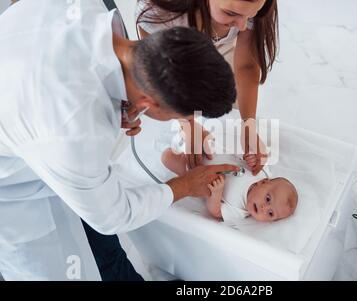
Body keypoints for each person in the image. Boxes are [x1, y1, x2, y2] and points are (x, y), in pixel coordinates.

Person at [0, 0, 239, 280]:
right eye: (183, 116)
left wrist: (117, 103)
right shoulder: (75, 132)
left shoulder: (90, 8)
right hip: (13, 196)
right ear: (150, 102)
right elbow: (113, 215)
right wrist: (183, 186)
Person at [136, 0, 279, 175]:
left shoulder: (252, 5)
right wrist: (187, 124)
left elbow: (247, 66)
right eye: (231, 13)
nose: (242, 26)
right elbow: (163, 78)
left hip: (218, 44)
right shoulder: (157, 14)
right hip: (173, 55)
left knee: (226, 110)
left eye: (251, 16)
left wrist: (248, 124)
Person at [162, 149, 298, 222]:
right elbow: (256, 157)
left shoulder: (240, 210)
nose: (264, 208)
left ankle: (178, 159)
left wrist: (216, 193)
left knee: (167, 157)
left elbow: (216, 212)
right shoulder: (261, 172)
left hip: (193, 172)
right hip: (211, 151)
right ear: (264, 182)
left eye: (270, 213)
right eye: (268, 199)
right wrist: (251, 158)